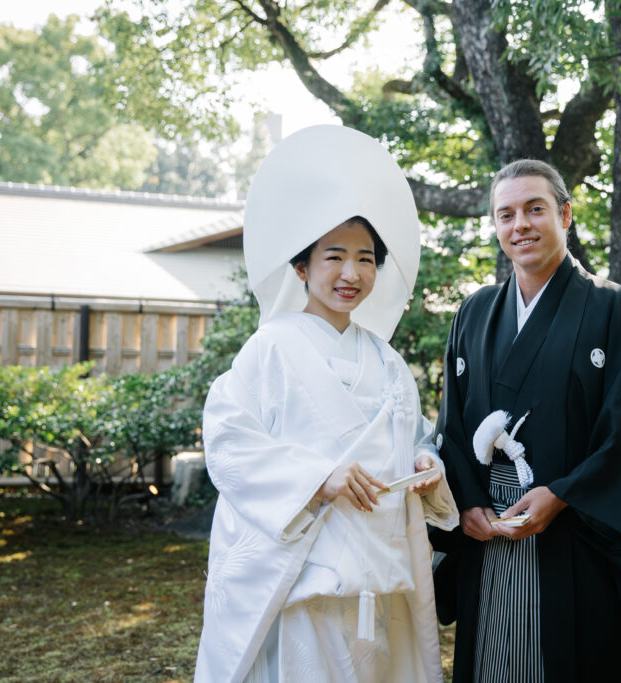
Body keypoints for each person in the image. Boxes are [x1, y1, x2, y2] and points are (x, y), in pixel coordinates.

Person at [195, 125, 459, 683]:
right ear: (302, 267)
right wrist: (319, 477)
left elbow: (415, 439)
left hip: (380, 579)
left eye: (366, 259)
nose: (351, 274)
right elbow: (228, 441)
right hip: (303, 581)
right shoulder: (269, 349)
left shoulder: (388, 362)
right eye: (333, 256)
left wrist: (426, 464)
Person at [432, 159, 621, 682]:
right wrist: (467, 502)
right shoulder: (473, 313)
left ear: (565, 215)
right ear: (496, 226)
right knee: (492, 661)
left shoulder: (618, 309)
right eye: (506, 215)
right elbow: (451, 426)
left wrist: (563, 494)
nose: (520, 225)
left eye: (534, 209)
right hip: (489, 531)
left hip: (576, 535)